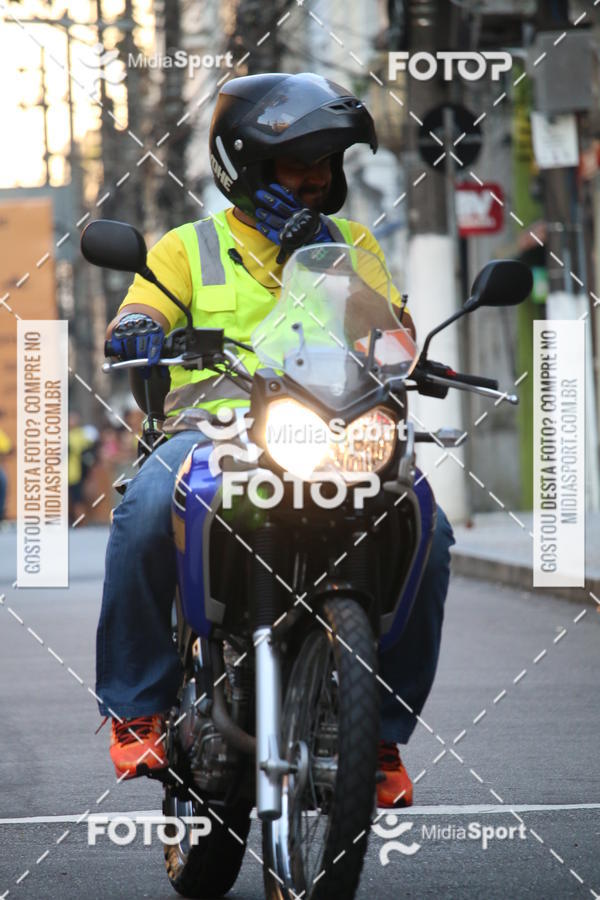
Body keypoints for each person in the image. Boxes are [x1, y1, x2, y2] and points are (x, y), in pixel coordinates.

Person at [96, 72, 455, 808]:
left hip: (334, 430)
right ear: (247, 166)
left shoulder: (352, 243)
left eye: (327, 163)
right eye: (300, 163)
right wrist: (140, 330)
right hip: (210, 432)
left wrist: (327, 261)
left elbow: (394, 339)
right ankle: (136, 708)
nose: (318, 178)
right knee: (142, 510)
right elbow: (137, 317)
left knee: (430, 529)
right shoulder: (185, 248)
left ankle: (377, 734)